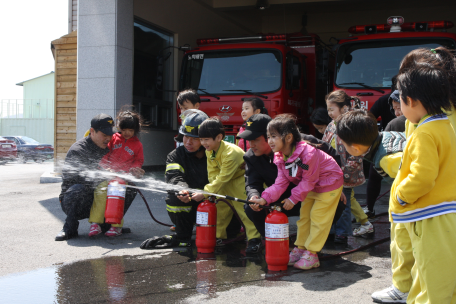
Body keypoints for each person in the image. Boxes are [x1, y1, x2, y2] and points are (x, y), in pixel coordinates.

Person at [370, 47, 456, 304]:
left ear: (415, 100)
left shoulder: (426, 130)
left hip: (430, 212)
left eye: (401, 98)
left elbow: (422, 174)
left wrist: (401, 193)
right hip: (445, 208)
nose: (396, 104)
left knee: (432, 274)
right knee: (435, 272)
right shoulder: (441, 123)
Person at [249, 114, 343, 270]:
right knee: (305, 217)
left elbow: (308, 180)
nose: (270, 141)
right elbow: (280, 183)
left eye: (273, 136)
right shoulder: (280, 156)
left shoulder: (308, 154)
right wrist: (265, 199)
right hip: (312, 185)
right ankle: (301, 248)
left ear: (288, 137)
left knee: (318, 218)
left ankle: (312, 253)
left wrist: (293, 199)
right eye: (268, 137)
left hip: (329, 183)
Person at [56, 114, 140, 241]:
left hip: (102, 193)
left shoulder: (110, 147)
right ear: (92, 132)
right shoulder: (78, 150)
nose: (108, 139)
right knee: (78, 190)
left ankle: (109, 224)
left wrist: (133, 172)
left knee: (129, 187)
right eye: (104, 135)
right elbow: (72, 178)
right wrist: (103, 174)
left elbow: (126, 161)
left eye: (110, 135)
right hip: (79, 198)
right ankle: (69, 227)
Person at [140, 110, 210, 249]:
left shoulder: (214, 155)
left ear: (205, 139)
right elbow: (174, 176)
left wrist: (207, 194)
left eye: (194, 138)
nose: (188, 142)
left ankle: (223, 234)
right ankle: (183, 236)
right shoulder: (175, 155)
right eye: (185, 136)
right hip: (189, 201)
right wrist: (181, 189)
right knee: (174, 197)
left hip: (211, 202)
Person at [191, 118, 262, 251]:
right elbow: (213, 173)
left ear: (219, 137)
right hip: (224, 183)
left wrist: (205, 192)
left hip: (240, 181)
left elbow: (223, 177)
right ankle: (218, 237)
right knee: (220, 209)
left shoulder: (231, 152)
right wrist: (211, 193)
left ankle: (254, 239)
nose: (203, 143)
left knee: (245, 210)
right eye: (201, 139)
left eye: (206, 139)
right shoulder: (210, 150)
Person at [323, 90, 373, 243]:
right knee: (336, 200)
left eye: (332, 109)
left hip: (346, 171)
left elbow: (359, 150)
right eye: (328, 110)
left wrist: (347, 168)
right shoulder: (331, 125)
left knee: (343, 202)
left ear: (344, 108)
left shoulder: (352, 124)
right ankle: (338, 229)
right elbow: (324, 143)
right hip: (332, 171)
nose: (330, 113)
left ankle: (342, 233)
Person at [88, 110, 145, 237]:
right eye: (124, 130)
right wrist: (105, 168)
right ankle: (95, 224)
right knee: (101, 191)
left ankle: (116, 226)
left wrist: (135, 169)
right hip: (108, 175)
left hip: (122, 178)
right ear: (119, 127)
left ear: (136, 130)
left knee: (116, 192)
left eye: (131, 130)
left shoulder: (138, 145)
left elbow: (138, 161)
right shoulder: (113, 139)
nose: (127, 133)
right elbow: (105, 154)